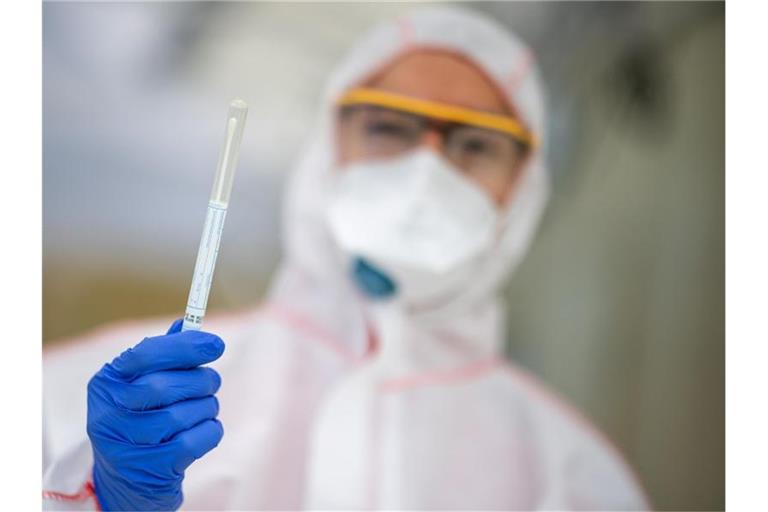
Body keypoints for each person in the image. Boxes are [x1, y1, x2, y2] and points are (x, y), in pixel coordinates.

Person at [42, 7, 650, 511]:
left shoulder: (574, 476)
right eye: (388, 128)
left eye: (473, 144)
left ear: (524, 189)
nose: (425, 171)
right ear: (324, 152)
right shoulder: (74, 398)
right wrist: (102, 497)